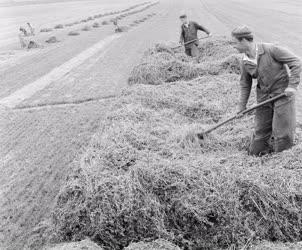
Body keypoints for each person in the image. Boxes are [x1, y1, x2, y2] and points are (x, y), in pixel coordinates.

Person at [231, 26, 301, 156]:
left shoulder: (271, 50)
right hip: (263, 98)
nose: (233, 46)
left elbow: (296, 62)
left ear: (244, 41)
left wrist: (292, 85)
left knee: (282, 133)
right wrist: (241, 107)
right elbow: (245, 85)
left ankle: (281, 159)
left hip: (282, 94)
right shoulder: (244, 61)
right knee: (259, 135)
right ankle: (260, 153)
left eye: (235, 42)